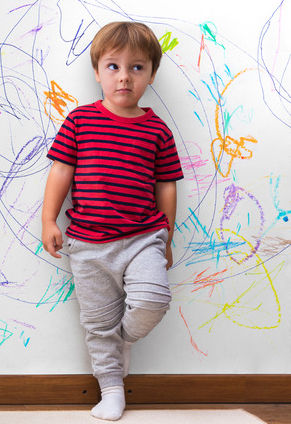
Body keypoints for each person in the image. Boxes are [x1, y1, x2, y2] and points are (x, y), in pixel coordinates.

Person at [41, 21, 184, 421]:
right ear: (98, 71)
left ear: (151, 74)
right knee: (97, 323)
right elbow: (60, 171)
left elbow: (167, 186)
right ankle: (111, 389)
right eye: (113, 66)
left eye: (136, 68)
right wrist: (48, 219)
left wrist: (167, 237)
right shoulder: (80, 121)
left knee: (154, 300)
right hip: (88, 244)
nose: (124, 77)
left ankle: (121, 339)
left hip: (144, 238)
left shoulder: (157, 129)